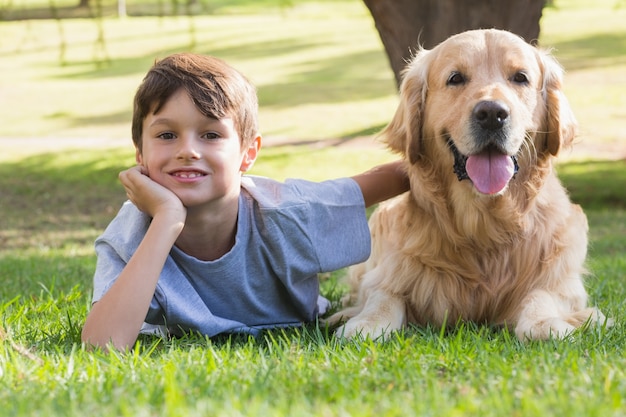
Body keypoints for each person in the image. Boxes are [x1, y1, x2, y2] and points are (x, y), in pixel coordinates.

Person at [81, 53, 410, 350]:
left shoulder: (287, 213)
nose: (187, 150)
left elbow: (396, 176)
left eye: (210, 135)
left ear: (247, 153)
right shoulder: (129, 235)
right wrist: (167, 218)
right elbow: (101, 344)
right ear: (140, 153)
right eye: (166, 135)